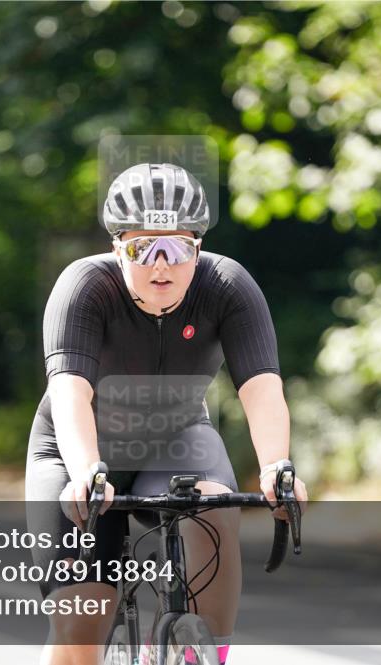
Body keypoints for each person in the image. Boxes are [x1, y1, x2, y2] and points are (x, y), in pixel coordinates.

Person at [26, 163, 308, 665]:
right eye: (142, 249)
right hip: (77, 449)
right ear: (117, 248)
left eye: (177, 248)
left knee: (214, 507)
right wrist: (87, 470)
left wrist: (276, 468)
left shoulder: (227, 286)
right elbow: (69, 391)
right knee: (82, 624)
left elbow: (262, 388)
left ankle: (199, 652)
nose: (161, 265)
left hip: (177, 439)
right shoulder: (85, 287)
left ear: (198, 248)